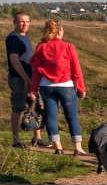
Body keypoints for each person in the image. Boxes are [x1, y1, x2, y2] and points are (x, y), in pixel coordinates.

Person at [29, 20, 86, 156]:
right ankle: (78, 148)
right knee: (72, 117)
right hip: (66, 85)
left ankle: (58, 147)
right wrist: (81, 88)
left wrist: (33, 90)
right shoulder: (68, 46)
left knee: (51, 117)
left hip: (46, 86)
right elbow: (76, 69)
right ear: (60, 31)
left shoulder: (41, 47)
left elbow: (36, 70)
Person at [6, 10, 46, 149]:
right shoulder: (14, 38)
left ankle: (37, 137)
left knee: (34, 106)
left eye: (27, 21)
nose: (25, 24)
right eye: (22, 21)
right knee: (18, 108)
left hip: (30, 78)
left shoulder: (25, 38)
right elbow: (14, 59)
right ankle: (16, 141)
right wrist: (26, 79)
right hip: (19, 79)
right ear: (15, 22)